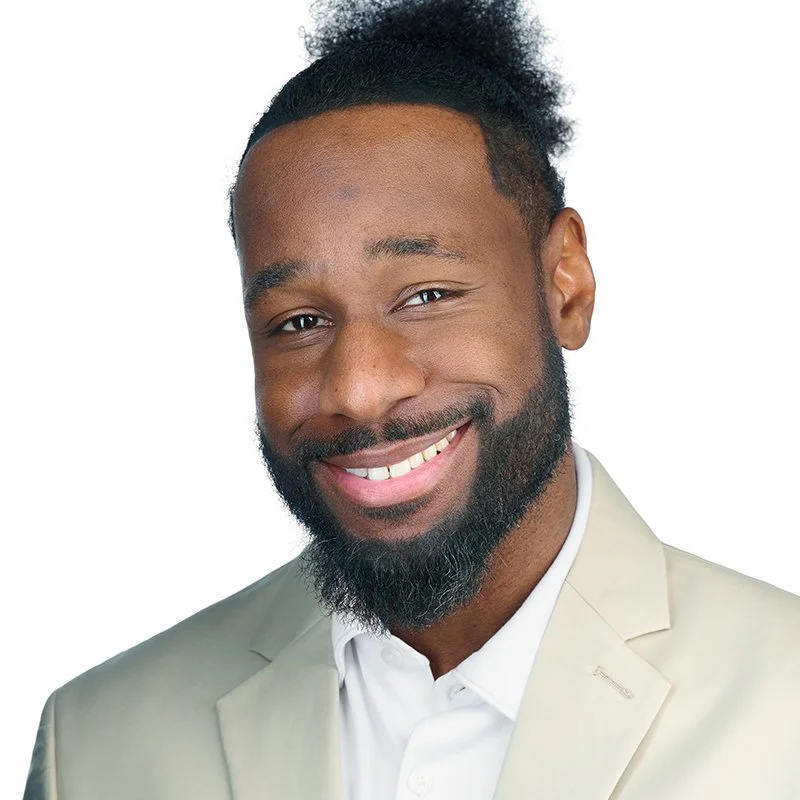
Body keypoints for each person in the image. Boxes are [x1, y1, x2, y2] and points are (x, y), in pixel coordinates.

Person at [23, 0, 800, 798]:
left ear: (565, 285)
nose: (359, 390)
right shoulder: (96, 747)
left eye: (427, 295)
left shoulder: (785, 711)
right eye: (298, 321)